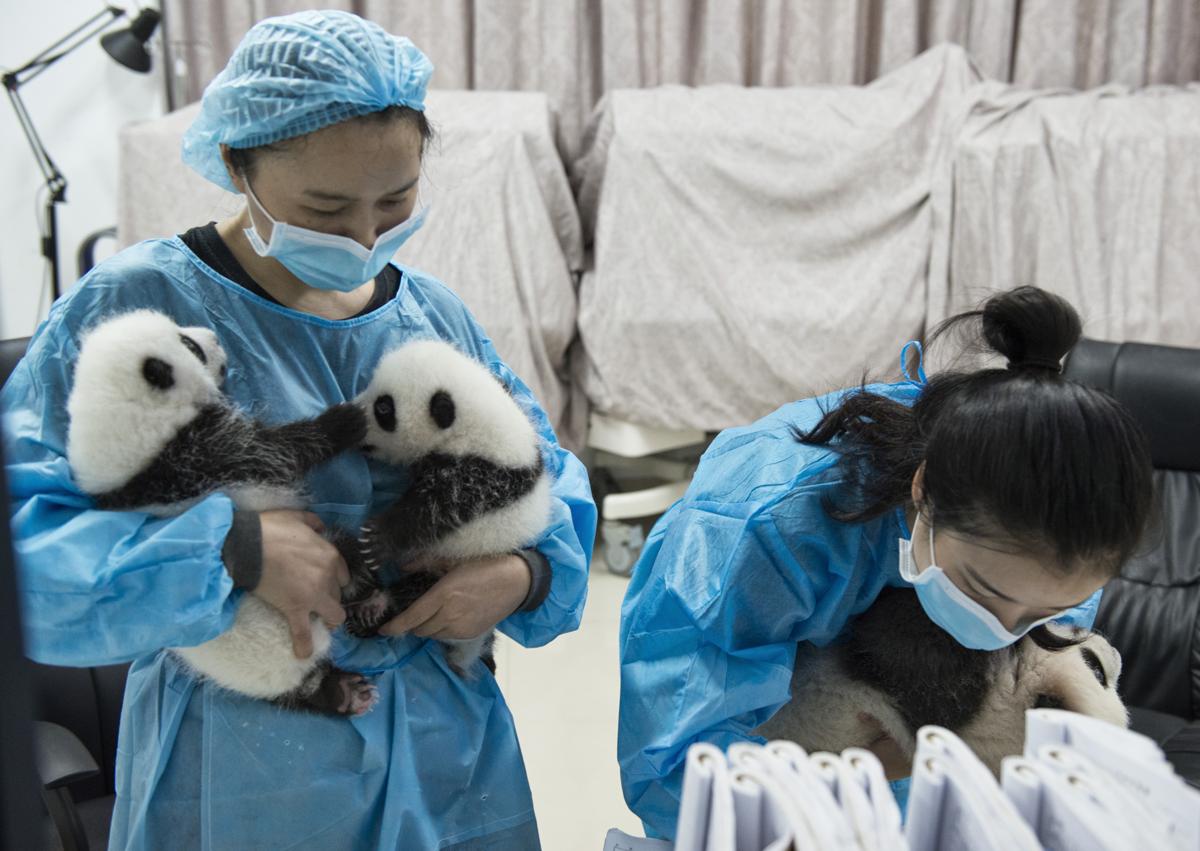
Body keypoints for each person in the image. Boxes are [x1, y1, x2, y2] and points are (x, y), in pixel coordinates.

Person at [2, 11, 595, 850]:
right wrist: (231, 550)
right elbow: (27, 547)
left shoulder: (431, 315)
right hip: (246, 763)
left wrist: (523, 571)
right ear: (238, 163)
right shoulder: (137, 310)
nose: (363, 236)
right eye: (325, 206)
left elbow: (549, 477)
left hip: (447, 757)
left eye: (396, 200)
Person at [617, 286, 1154, 838]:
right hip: (770, 758)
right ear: (924, 492)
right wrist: (868, 772)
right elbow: (677, 760)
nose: (1001, 633)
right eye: (980, 589)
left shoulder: (1067, 544)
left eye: (1040, 612)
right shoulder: (765, 525)